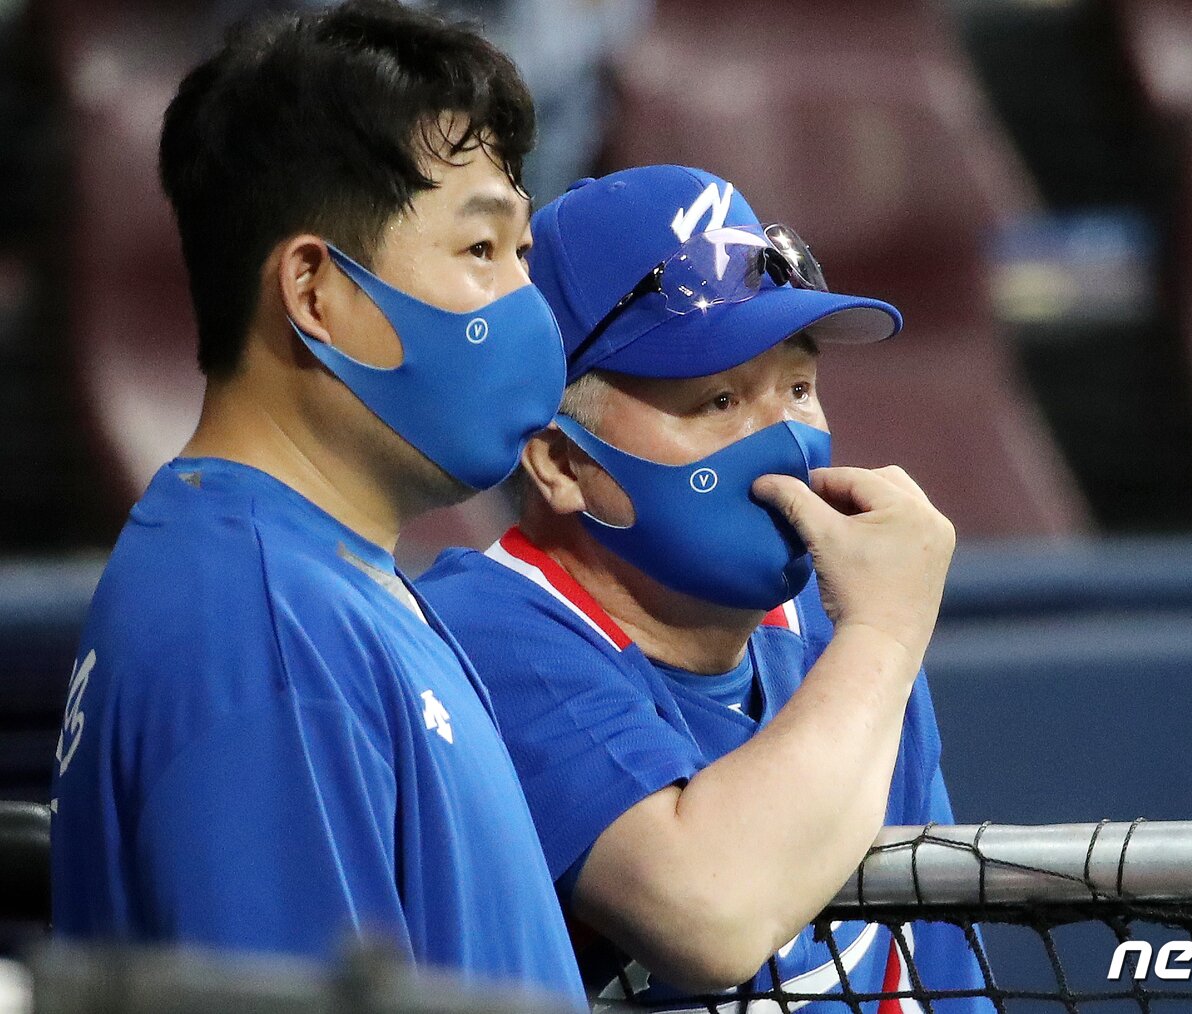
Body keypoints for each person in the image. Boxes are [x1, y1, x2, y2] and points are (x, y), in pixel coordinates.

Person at [49, 1, 584, 1003]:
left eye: (521, 256)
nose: (528, 305)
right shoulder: (263, 633)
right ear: (314, 292)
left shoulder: (324, 580)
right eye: (481, 252)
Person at [417, 165, 990, 1010]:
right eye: (719, 399)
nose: (787, 441)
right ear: (562, 462)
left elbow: (945, 986)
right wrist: (885, 638)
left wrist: (875, 642)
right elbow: (706, 909)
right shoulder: (484, 634)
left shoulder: (838, 637)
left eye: (798, 388)